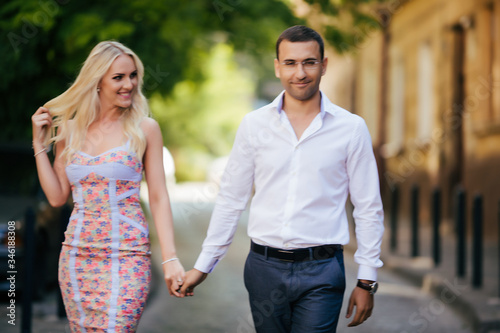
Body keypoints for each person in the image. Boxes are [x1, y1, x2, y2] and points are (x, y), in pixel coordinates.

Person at [180, 25, 384, 332]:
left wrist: (367, 281)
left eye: (309, 62)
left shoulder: (351, 129)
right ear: (277, 67)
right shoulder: (254, 125)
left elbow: (368, 206)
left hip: (323, 270)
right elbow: (231, 199)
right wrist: (204, 264)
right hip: (264, 269)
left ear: (323, 65)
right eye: (290, 63)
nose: (300, 73)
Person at [31, 41, 185, 332]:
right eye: (118, 77)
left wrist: (170, 259)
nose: (129, 84)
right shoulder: (68, 132)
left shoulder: (145, 128)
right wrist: (39, 145)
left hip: (127, 256)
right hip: (76, 256)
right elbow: (56, 197)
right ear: (97, 82)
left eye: (132, 75)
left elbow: (158, 196)